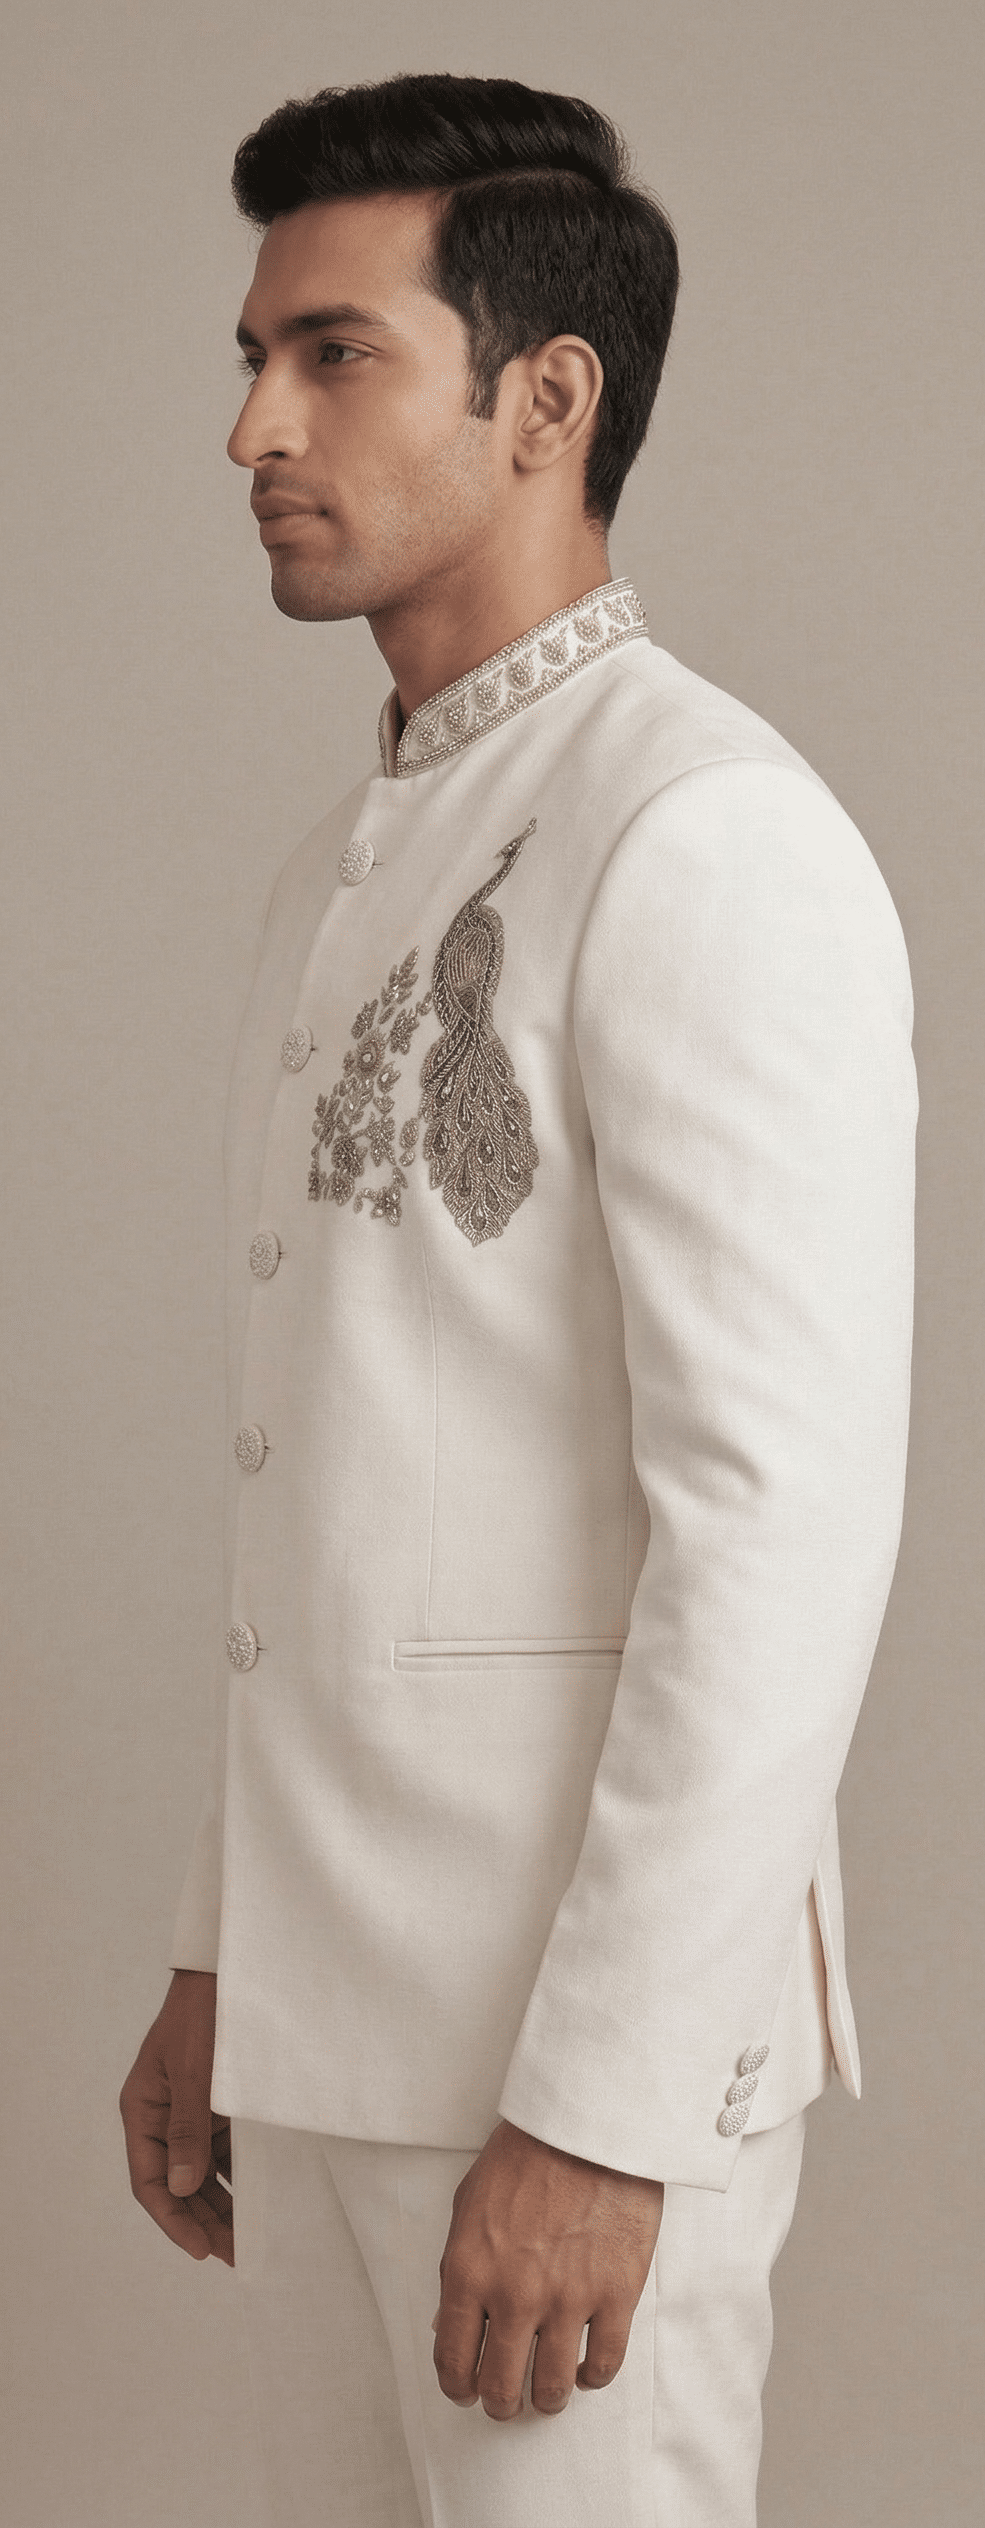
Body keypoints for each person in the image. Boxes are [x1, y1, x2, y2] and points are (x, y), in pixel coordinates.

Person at [119, 72, 916, 2528]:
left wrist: (604, 2106)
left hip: (564, 2075)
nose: (254, 428)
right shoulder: (346, 865)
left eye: (332, 355)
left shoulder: (703, 831)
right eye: (253, 357)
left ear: (545, 397)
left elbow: (776, 1527)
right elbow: (342, 1481)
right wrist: (226, 1950)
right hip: (328, 2043)